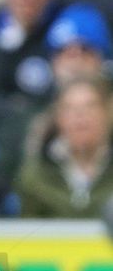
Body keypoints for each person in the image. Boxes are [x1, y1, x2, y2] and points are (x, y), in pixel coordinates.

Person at [14, 77, 113, 221]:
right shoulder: (34, 175)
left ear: (106, 113)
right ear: (58, 117)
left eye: (90, 106)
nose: (80, 116)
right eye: (70, 108)